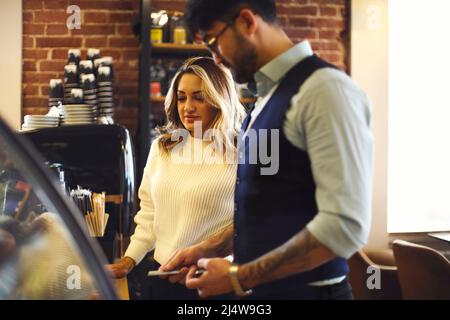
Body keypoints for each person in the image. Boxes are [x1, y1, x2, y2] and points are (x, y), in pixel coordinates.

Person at [161, 0, 374, 299]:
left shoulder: (325, 90)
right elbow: (265, 206)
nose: (216, 59)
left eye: (213, 41)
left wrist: (238, 276)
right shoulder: (263, 98)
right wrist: (208, 249)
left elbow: (344, 227)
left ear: (247, 22)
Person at [107, 57, 245, 299]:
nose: (187, 107)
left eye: (198, 97)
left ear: (218, 100)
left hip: (212, 283)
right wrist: (129, 260)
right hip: (160, 277)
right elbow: (149, 214)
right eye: (182, 98)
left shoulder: (245, 150)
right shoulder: (163, 147)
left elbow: (252, 221)